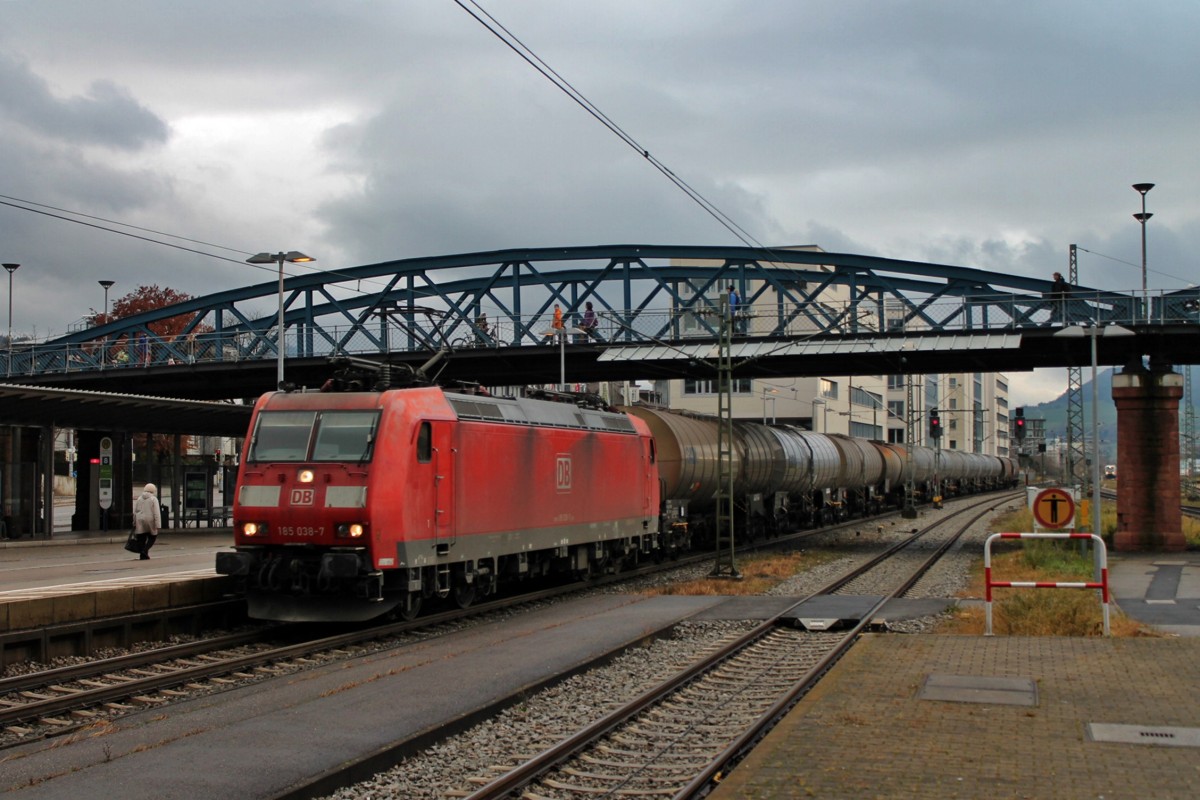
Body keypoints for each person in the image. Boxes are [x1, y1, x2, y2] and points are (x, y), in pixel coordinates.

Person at [133, 483, 162, 560]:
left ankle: (143, 555)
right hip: (150, 520)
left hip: (140, 520)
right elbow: (156, 513)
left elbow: (135, 511)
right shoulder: (153, 499)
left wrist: (134, 522)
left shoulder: (139, 498)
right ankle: (144, 550)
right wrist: (158, 525)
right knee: (153, 536)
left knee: (142, 537)